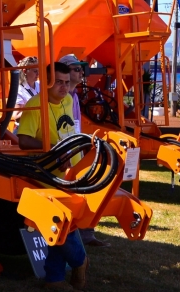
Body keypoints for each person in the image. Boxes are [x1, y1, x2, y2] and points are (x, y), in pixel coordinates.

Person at [17, 62, 88, 290]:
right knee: (64, 225)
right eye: (58, 82)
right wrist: (53, 152)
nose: (64, 87)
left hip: (70, 176)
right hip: (47, 178)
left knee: (58, 228)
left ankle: (54, 278)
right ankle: (80, 261)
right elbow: (24, 140)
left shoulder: (67, 101)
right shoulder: (35, 105)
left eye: (67, 83)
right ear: (45, 82)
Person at [58, 54, 109, 248]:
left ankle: (86, 233)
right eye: (76, 69)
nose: (81, 72)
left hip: (75, 146)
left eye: (81, 69)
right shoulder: (60, 96)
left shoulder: (74, 96)